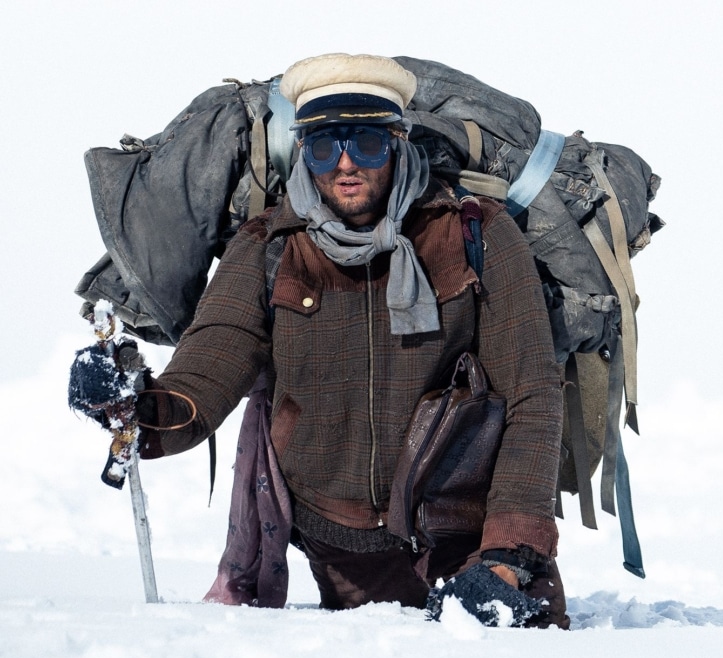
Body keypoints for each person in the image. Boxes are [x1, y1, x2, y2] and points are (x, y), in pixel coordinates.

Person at [74, 54, 569, 624]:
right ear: (304, 150)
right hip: (345, 552)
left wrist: (509, 554)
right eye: (324, 146)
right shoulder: (267, 248)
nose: (345, 164)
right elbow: (205, 375)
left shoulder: (477, 233)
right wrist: (127, 405)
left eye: (366, 143)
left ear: (398, 143)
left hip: (474, 541)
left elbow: (532, 396)